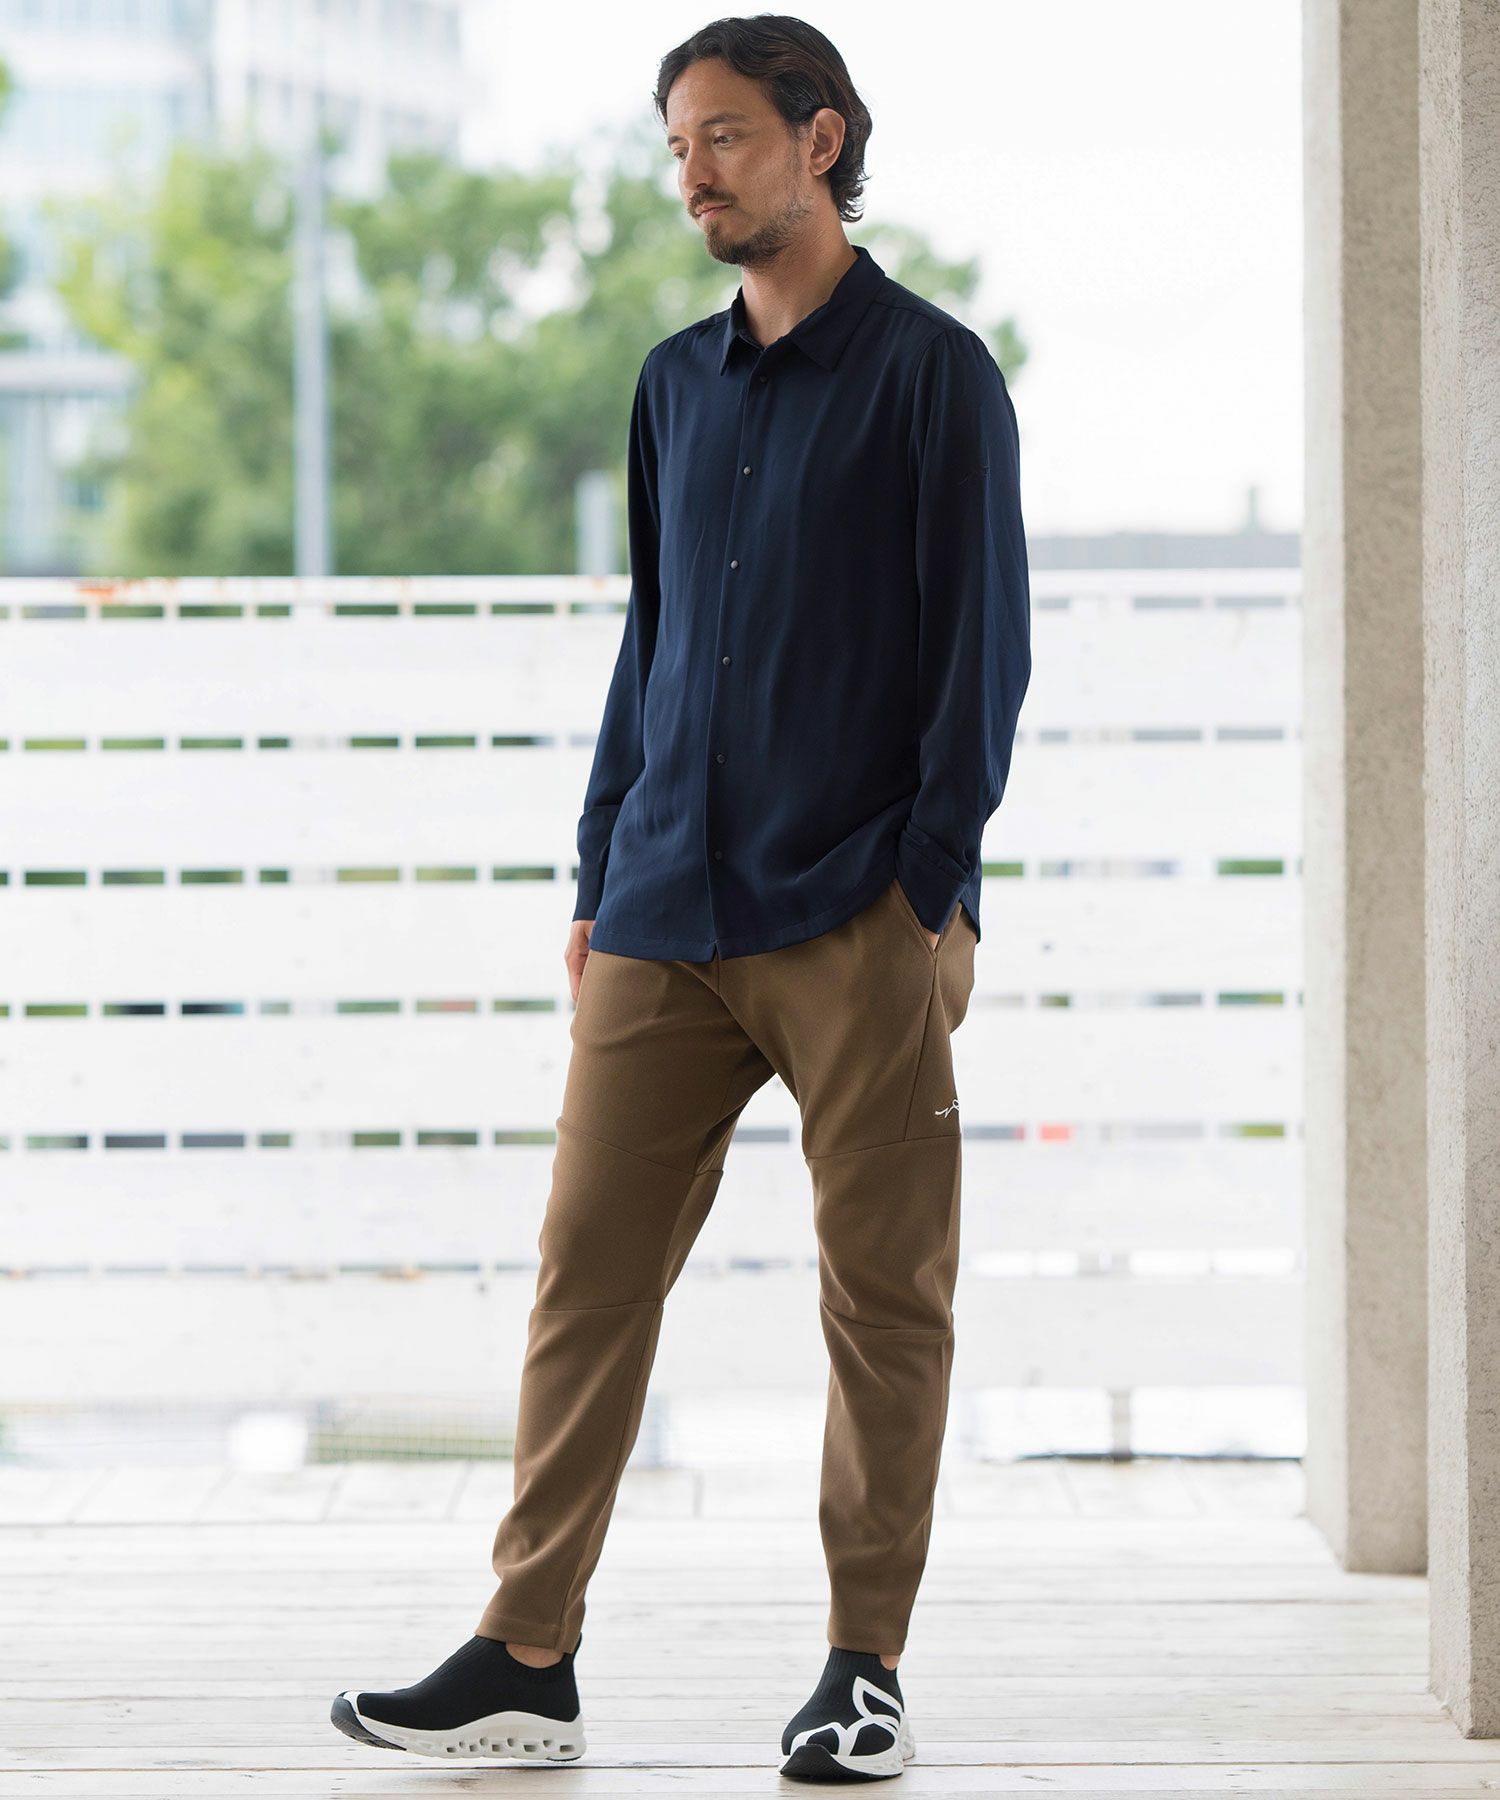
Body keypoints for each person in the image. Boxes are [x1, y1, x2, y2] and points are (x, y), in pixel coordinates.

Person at [331, 13, 1030, 1783]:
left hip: (856, 912)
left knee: (883, 1301)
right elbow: (654, 646)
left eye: (723, 136)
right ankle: (525, 1654)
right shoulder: (671, 383)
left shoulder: (936, 377)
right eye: (677, 146)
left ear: (821, 139)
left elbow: (983, 658)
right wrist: (599, 868)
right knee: (585, 1277)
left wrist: (926, 892)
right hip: (661, 905)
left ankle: (862, 1669)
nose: (694, 174)